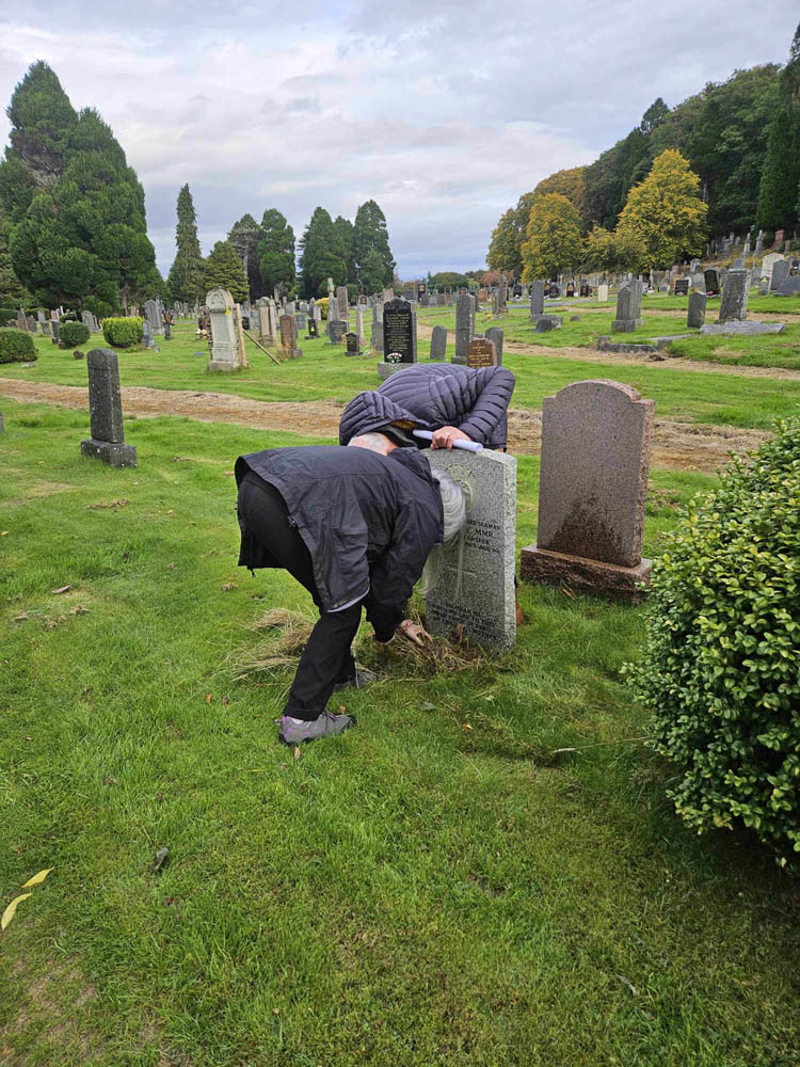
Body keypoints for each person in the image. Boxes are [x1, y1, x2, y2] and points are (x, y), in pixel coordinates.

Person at [235, 432, 466, 745]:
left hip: (259, 483)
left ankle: (343, 676)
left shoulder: (403, 477)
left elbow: (375, 574)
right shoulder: (425, 511)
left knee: (335, 596)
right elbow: (390, 585)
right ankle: (301, 719)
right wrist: (387, 631)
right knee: (342, 609)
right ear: (446, 519)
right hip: (290, 500)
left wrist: (392, 617)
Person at [338, 361, 515, 451]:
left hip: (479, 407)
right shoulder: (356, 428)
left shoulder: (436, 401)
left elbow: (500, 376)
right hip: (424, 423)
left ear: (391, 449)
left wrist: (469, 432)